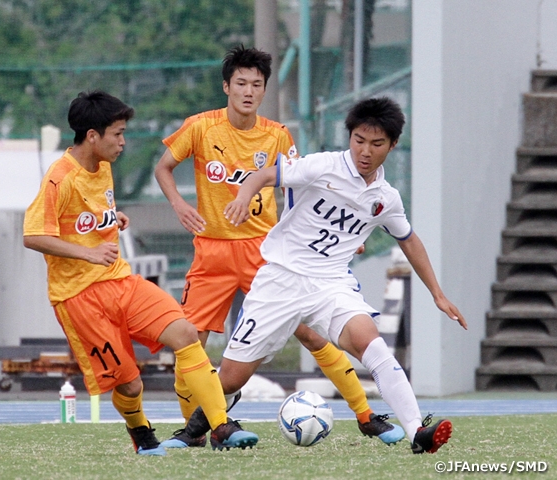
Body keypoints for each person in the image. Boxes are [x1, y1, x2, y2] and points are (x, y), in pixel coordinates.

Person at [183, 96, 468, 454]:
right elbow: (264, 174)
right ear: (349, 137)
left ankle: (416, 432)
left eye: (377, 144)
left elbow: (409, 240)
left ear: (392, 145)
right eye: (359, 140)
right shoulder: (322, 167)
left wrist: (437, 294)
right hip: (281, 278)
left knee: (371, 342)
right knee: (232, 377)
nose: (365, 151)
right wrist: (243, 196)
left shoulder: (386, 198)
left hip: (330, 283)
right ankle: (195, 427)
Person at [154, 44, 404, 448]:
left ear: (264, 90)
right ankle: (202, 429)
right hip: (212, 252)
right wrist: (180, 205)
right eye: (241, 83)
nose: (248, 91)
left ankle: (366, 415)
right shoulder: (200, 127)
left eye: (256, 84)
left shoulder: (276, 135)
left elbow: (300, 187)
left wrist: (329, 234)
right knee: (189, 342)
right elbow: (163, 166)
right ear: (226, 87)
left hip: (264, 251)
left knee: (311, 333)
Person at [23, 90, 259, 455]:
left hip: (120, 281)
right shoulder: (60, 178)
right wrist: (88, 251)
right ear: (92, 136)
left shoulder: (102, 166)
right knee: (130, 386)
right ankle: (142, 435)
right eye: (117, 133)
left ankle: (220, 426)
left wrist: (110, 220)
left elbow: (86, 219)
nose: (123, 141)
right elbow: (34, 235)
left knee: (184, 333)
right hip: (79, 298)